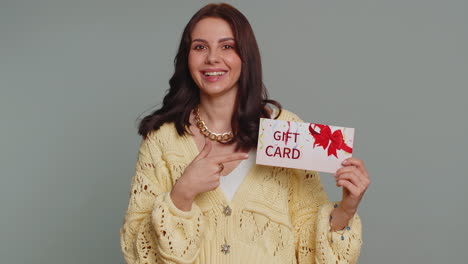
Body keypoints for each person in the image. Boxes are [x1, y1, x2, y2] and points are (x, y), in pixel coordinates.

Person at [120, 3, 370, 264]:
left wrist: (347, 209)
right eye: (200, 47)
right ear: (187, 57)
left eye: (227, 46)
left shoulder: (284, 129)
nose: (212, 58)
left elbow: (310, 247)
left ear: (245, 56)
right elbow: (138, 252)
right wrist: (182, 194)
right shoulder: (162, 140)